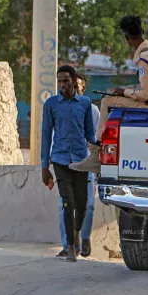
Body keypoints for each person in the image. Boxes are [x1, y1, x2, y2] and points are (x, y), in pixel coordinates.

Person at [70, 15, 148, 174]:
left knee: (107, 101)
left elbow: (147, 93)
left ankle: (96, 151)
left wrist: (124, 92)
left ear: (127, 39)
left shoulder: (143, 59)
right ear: (142, 31)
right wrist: (126, 91)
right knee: (117, 94)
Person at [41, 65, 97, 262]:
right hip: (60, 159)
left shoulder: (85, 104)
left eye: (66, 81)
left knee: (82, 205)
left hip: (81, 160)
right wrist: (44, 166)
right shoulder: (51, 104)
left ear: (74, 81)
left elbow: (90, 134)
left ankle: (77, 232)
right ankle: (71, 246)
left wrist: (98, 154)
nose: (62, 85)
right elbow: (46, 135)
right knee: (68, 202)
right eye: (60, 82)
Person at [57, 74, 99, 257]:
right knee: (65, 205)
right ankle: (68, 245)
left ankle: (85, 236)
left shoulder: (93, 110)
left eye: (78, 86)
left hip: (85, 162)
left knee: (88, 205)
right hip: (64, 161)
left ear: (84, 89)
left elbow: (96, 138)